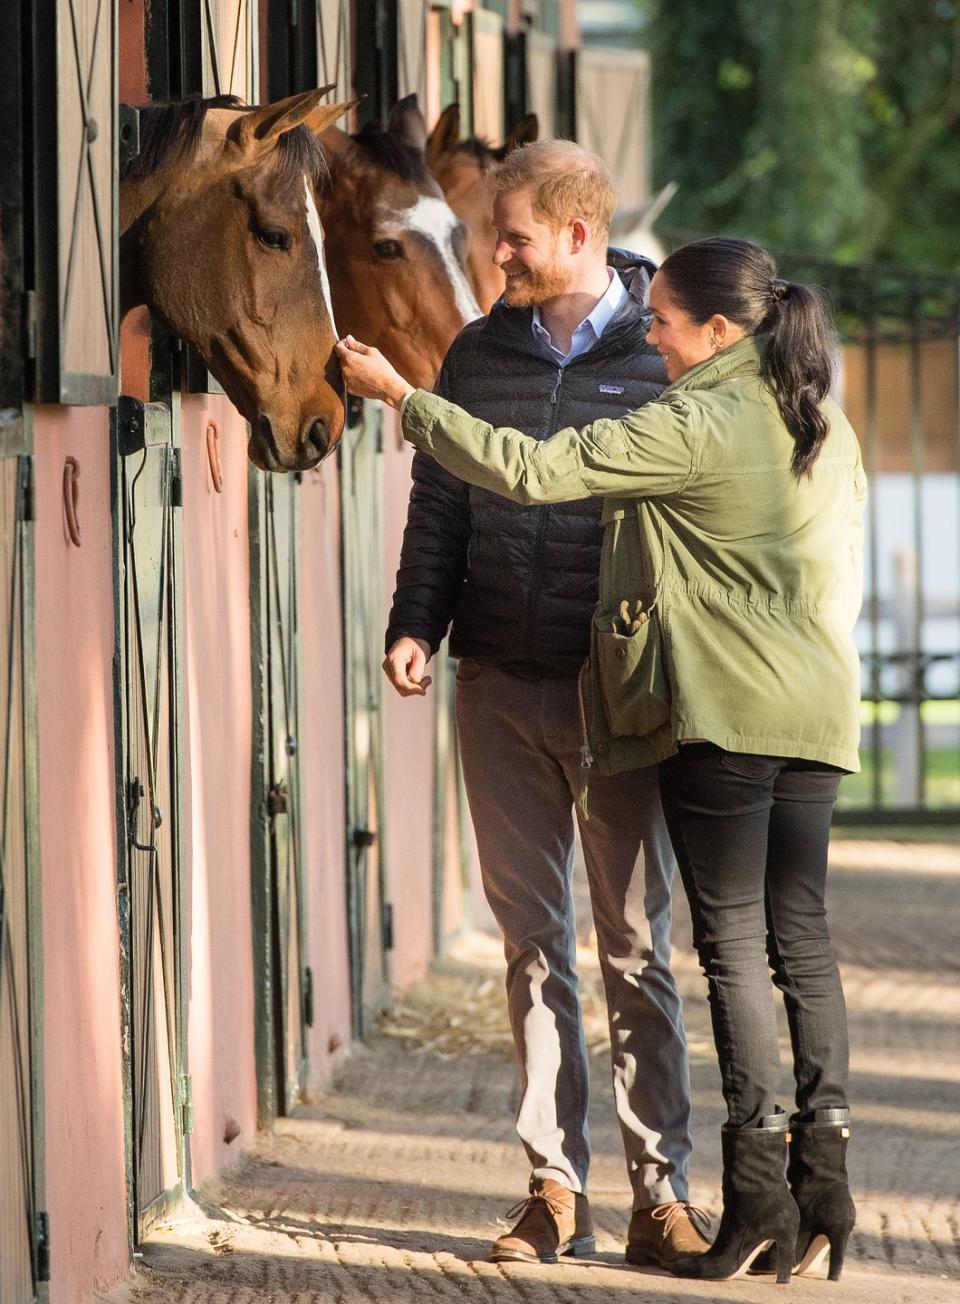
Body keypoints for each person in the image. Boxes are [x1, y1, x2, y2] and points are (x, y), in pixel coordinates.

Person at [335, 234, 865, 1284]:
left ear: (720, 331)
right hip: (818, 711)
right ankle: (826, 1184)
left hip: (724, 718)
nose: (651, 332)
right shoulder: (822, 414)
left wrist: (404, 395)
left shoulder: (698, 415)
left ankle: (756, 1192)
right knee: (801, 938)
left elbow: (533, 471)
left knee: (730, 947)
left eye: (664, 318)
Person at [377, 139, 708, 1268]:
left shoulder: (660, 349)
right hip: (498, 683)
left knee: (633, 946)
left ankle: (660, 1193)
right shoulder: (476, 350)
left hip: (615, 696)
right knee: (531, 949)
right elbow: (441, 504)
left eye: (511, 235)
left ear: (576, 234)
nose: (494, 253)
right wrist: (415, 621)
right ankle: (552, 1189)